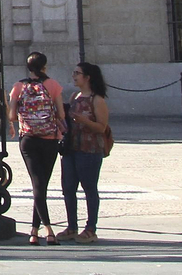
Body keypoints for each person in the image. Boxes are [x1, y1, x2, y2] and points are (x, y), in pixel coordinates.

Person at [7, 50, 66, 245]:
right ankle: (48, 230)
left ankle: (34, 230)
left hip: (28, 139)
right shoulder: (53, 85)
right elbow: (61, 114)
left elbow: (12, 116)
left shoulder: (18, 87)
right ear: (44, 67)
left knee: (37, 185)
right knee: (41, 185)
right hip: (49, 139)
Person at [60, 62, 112, 244]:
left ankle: (91, 228)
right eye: (73, 72)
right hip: (71, 148)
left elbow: (101, 127)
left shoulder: (97, 100)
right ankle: (71, 226)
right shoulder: (75, 96)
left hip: (90, 149)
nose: (74, 76)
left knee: (89, 188)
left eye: (77, 73)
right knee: (68, 188)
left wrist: (84, 121)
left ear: (87, 77)